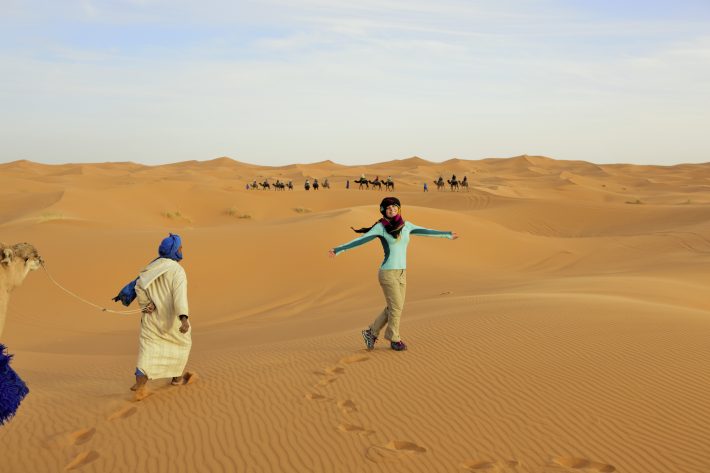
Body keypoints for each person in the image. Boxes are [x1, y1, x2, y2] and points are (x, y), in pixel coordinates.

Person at [328, 197, 458, 351]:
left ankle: (371, 332)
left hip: (402, 273)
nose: (392, 210)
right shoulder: (380, 228)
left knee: (395, 306)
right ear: (384, 211)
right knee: (396, 307)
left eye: (395, 207)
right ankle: (394, 338)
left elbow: (426, 231)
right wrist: (338, 249)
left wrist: (447, 234)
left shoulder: (406, 225)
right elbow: (360, 240)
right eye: (388, 208)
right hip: (387, 273)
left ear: (399, 209)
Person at [131, 233, 192, 393]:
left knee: (148, 349)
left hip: (151, 319)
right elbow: (180, 297)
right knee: (182, 345)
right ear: (173, 250)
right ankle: (177, 379)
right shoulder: (177, 270)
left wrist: (146, 304)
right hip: (171, 320)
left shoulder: (152, 266)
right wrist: (184, 319)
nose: (181, 249)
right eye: (180, 247)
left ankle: (141, 385)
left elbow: (138, 285)